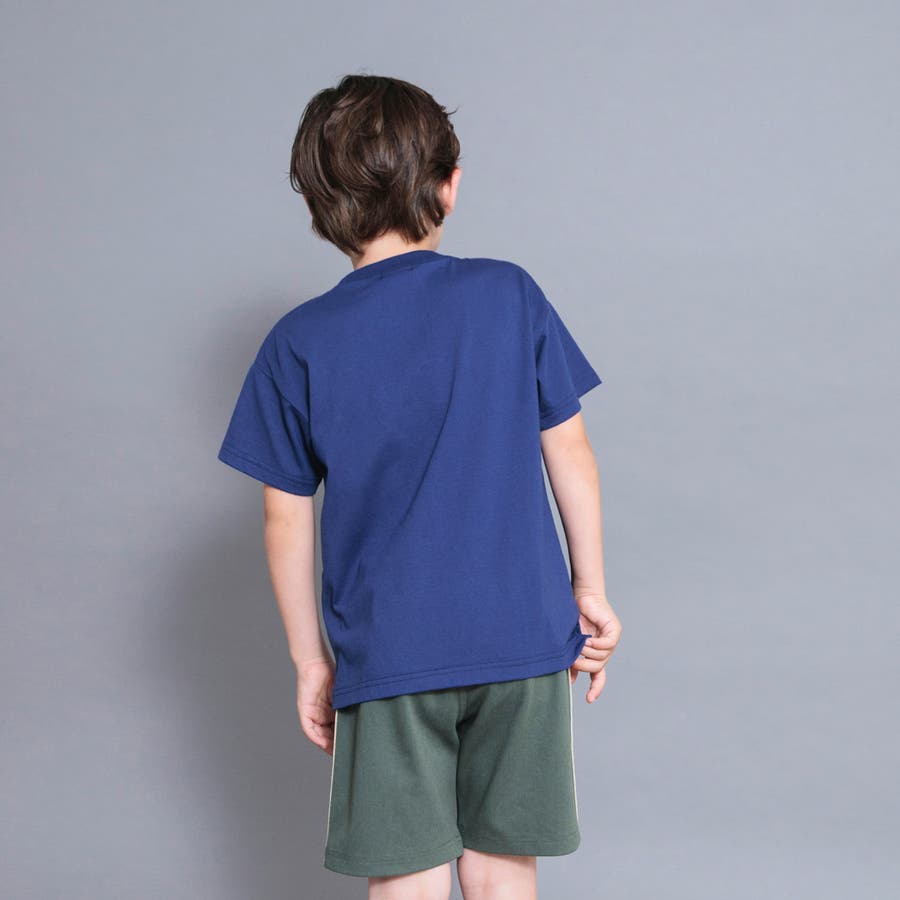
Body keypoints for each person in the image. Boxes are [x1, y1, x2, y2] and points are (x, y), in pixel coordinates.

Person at [217, 73, 622, 900]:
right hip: (521, 633)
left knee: (406, 876)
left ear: (319, 207)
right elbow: (571, 451)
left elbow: (284, 516)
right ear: (449, 186)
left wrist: (310, 660)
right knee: (504, 869)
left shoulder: (298, 342)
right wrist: (590, 589)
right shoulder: (508, 294)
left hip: (390, 647)